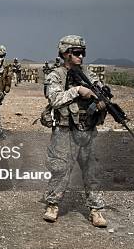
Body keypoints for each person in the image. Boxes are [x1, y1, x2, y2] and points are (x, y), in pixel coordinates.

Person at [42, 35, 107, 227]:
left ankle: (96, 209)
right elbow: (54, 99)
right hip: (65, 130)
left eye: (83, 53)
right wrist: (77, 90)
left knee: (92, 170)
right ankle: (53, 204)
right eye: (77, 53)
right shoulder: (56, 75)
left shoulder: (90, 75)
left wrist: (101, 102)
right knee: (60, 169)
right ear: (65, 54)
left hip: (88, 130)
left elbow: (100, 93)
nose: (81, 57)